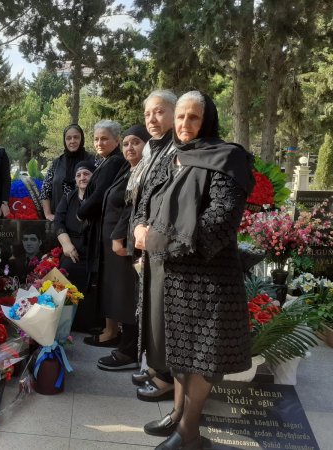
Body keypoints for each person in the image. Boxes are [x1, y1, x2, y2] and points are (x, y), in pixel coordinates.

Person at [133, 91, 254, 450]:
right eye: (181, 117)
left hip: (208, 278)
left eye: (194, 118)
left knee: (200, 357)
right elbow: (146, 199)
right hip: (172, 277)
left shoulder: (228, 158)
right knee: (179, 352)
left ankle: (190, 431)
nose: (184, 125)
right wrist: (140, 227)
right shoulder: (176, 157)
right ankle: (176, 414)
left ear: (208, 120)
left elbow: (219, 222)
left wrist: (157, 239)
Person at [126, 90, 179, 402]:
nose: (152, 119)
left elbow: (170, 201)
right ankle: (155, 365)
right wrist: (138, 226)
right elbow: (144, 199)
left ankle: (166, 376)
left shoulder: (177, 150)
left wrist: (149, 228)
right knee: (149, 309)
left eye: (159, 112)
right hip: (147, 243)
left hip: (165, 245)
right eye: (148, 114)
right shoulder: (153, 151)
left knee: (163, 313)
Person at [93, 125, 151, 369]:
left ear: (146, 146)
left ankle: (129, 351)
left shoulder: (145, 171)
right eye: (126, 143)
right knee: (123, 296)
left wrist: (119, 238)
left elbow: (133, 210)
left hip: (128, 246)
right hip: (118, 245)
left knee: (129, 297)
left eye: (135, 142)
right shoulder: (129, 170)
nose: (129, 147)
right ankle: (124, 344)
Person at [77, 120, 125, 337]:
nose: (99, 142)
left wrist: (81, 212)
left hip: (107, 227)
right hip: (101, 226)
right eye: (96, 139)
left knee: (109, 280)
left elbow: (99, 195)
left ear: (117, 140)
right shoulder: (106, 161)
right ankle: (109, 327)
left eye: (104, 138)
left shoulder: (114, 162)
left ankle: (111, 331)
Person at [54, 160, 94, 330]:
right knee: (67, 267)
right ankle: (66, 322)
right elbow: (58, 221)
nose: (82, 178)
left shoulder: (98, 196)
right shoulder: (68, 197)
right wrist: (66, 244)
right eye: (78, 175)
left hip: (92, 247)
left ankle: (88, 324)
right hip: (71, 246)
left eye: (86, 174)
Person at [41, 124, 95, 220]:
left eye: (76, 137)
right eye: (68, 138)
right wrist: (48, 214)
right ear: (64, 140)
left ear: (81, 139)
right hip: (59, 220)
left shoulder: (93, 161)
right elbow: (45, 191)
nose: (72, 141)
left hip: (86, 220)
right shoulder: (56, 163)